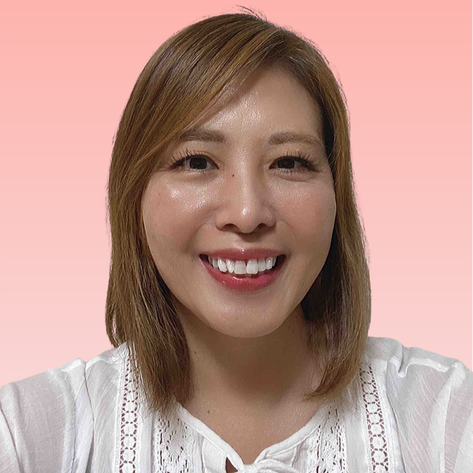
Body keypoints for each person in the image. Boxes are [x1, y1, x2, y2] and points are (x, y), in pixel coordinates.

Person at [1, 10, 472, 473]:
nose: (247, 214)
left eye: (289, 162)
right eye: (197, 162)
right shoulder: (29, 432)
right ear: (134, 192)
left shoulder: (443, 413)